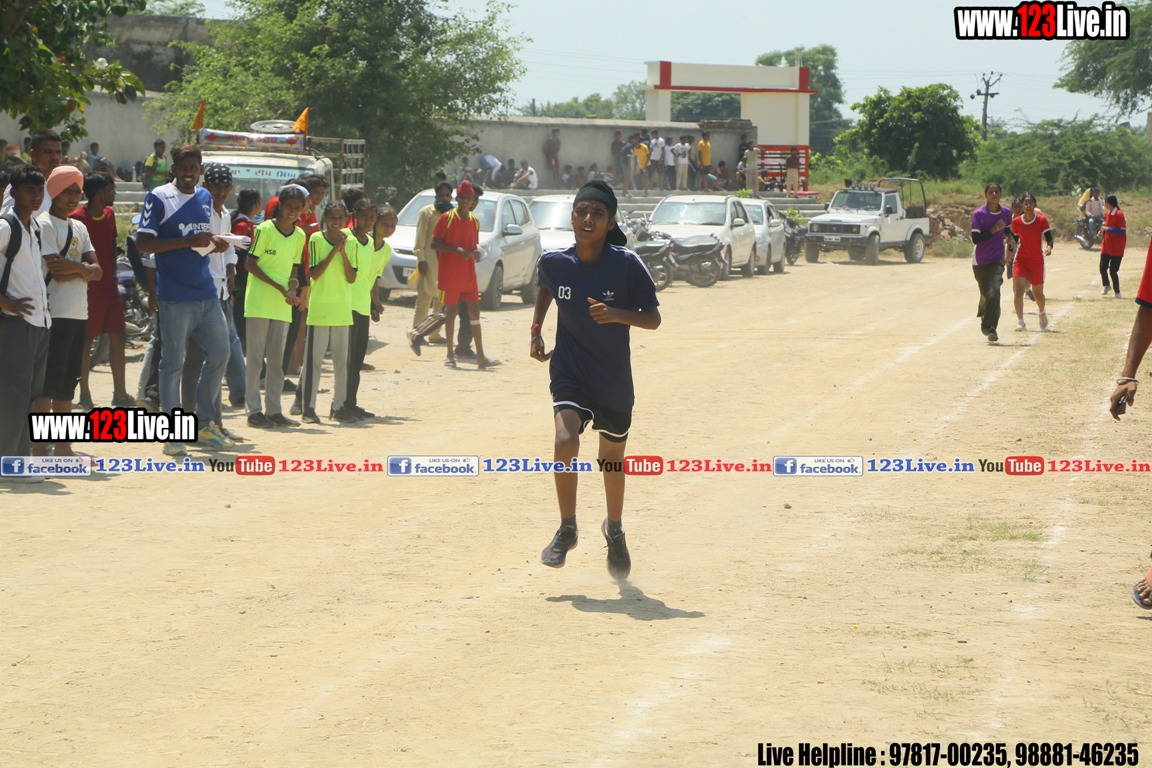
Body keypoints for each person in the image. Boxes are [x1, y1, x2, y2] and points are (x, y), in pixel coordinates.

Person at [531, 180, 661, 578]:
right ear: (572, 218)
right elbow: (547, 287)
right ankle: (567, 528)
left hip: (613, 379)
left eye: (597, 213)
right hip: (569, 370)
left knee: (610, 461)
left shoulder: (626, 265)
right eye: (582, 211)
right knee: (565, 440)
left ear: (610, 222)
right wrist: (536, 328)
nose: (588, 218)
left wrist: (616, 314)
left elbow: (653, 319)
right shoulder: (553, 262)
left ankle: (614, 530)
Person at [135, 143, 234, 455]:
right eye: (183, 168)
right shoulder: (159, 196)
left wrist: (215, 243)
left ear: (200, 170)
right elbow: (142, 243)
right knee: (172, 365)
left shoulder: (205, 197)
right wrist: (187, 241)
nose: (189, 173)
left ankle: (203, 423)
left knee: (221, 354)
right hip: (175, 296)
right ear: (173, 170)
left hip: (206, 292)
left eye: (194, 168)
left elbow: (200, 239)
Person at [31, 167, 102, 457]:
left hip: (78, 313)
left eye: (77, 192)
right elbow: (58, 272)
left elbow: (98, 271)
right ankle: (37, 448)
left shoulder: (80, 227)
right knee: (47, 385)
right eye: (67, 192)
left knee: (67, 384)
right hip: (54, 314)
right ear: (53, 191)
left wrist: (77, 268)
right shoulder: (43, 224)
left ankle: (63, 446)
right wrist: (84, 270)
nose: (72, 198)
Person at [181, 163, 245, 429]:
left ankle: (214, 423)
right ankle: (190, 422)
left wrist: (231, 270)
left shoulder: (225, 213)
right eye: (216, 186)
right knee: (195, 361)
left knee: (219, 359)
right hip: (201, 293)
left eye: (226, 186)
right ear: (205, 185)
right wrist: (213, 246)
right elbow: (192, 249)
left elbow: (228, 247)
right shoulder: (198, 212)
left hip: (221, 292)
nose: (221, 191)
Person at [243, 184, 307, 428]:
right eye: (289, 206)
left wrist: (292, 289)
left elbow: (294, 269)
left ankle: (274, 410)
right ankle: (253, 411)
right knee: (256, 360)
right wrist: (279, 288)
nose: (293, 211)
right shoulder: (264, 229)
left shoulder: (299, 235)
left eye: (298, 208)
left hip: (282, 305)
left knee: (277, 361)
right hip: (259, 302)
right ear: (279, 205)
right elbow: (250, 264)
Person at [0, 165, 51, 471]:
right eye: (29, 190)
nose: (35, 196)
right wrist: (5, 302)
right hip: (16, 324)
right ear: (14, 192)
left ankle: (19, 460)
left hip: (39, 323)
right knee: (14, 396)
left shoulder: (34, 227)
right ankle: (8, 462)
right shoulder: (6, 226)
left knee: (30, 396)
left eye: (39, 190)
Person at [73, 171, 133, 409]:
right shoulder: (76, 219)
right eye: (111, 190)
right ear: (99, 193)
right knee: (85, 342)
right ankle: (84, 394)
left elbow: (111, 245)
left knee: (118, 336)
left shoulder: (109, 214)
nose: (114, 194)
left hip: (110, 288)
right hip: (87, 290)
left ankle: (120, 395)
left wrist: (114, 277)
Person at [298, 201, 357, 423]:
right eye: (332, 217)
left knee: (341, 362)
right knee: (314, 361)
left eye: (341, 217)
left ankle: (339, 406)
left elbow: (352, 277)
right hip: (320, 308)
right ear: (325, 218)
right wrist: (334, 250)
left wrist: (343, 252)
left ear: (346, 219)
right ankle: (308, 408)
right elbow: (314, 273)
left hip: (342, 308)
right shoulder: (316, 238)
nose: (337, 221)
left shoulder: (350, 242)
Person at [431, 180, 499, 369]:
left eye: (469, 198)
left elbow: (472, 245)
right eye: (462, 197)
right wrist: (456, 250)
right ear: (457, 197)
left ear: (473, 199)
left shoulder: (474, 220)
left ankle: (481, 356)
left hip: (468, 274)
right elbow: (434, 243)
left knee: (474, 310)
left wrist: (476, 252)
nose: (465, 201)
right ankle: (449, 354)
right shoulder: (447, 217)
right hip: (450, 274)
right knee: (451, 312)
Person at [344, 197, 388, 420]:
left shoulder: (370, 243)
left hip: (362, 304)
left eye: (372, 217)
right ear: (355, 216)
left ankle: (351, 403)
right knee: (346, 359)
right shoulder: (346, 237)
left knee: (357, 359)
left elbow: (368, 278)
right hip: (346, 304)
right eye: (364, 217)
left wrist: (373, 303)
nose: (368, 221)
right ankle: (340, 405)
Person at [409, 181, 453, 351]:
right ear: (436, 196)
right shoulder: (427, 212)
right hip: (429, 262)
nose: (444, 198)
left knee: (441, 299)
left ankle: (434, 334)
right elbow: (420, 237)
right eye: (441, 195)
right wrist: (421, 259)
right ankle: (417, 332)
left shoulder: (452, 214)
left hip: (446, 263)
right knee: (424, 299)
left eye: (447, 195)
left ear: (451, 197)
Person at [970, 183, 1014, 343]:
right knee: (985, 293)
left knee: (994, 290)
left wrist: (1011, 238)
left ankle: (992, 327)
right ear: (986, 195)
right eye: (991, 192)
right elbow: (975, 239)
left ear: (1000, 194)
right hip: (980, 260)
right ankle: (985, 319)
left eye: (997, 191)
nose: (994, 194)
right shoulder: (979, 214)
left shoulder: (1006, 213)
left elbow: (1007, 229)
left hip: (997, 257)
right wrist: (994, 229)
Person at [1010, 192, 1053, 332]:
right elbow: (1014, 241)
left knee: (1038, 295)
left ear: (1035, 205)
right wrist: (1008, 255)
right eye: (1025, 203)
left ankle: (1042, 312)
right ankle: (1020, 322)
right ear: (1022, 206)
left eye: (1031, 203)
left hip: (1036, 260)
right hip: (1021, 259)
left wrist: (1049, 246)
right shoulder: (1016, 222)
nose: (1028, 206)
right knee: (1018, 290)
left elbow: (1049, 237)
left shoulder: (1041, 220)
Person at [2, 129, 62, 218]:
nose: (55, 156)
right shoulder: (20, 185)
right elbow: (7, 222)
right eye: (47, 152)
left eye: (58, 152)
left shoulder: (57, 186)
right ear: (33, 155)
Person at [230, 188, 262, 346]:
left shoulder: (248, 223)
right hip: (240, 280)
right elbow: (236, 252)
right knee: (238, 318)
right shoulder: (242, 225)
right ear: (256, 204)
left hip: (244, 278)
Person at [1100, 194, 1126, 298]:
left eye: (1105, 202)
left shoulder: (1119, 214)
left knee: (1113, 271)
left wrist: (1107, 229)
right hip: (1107, 244)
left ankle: (1117, 291)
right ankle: (1106, 285)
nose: (1104, 204)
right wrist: (1102, 231)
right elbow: (1107, 225)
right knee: (1102, 267)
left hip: (1117, 247)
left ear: (1109, 203)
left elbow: (1122, 231)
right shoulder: (1107, 213)